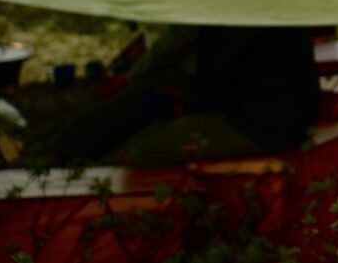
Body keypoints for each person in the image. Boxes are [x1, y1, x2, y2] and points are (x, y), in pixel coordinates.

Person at [51, 25, 319, 166]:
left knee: (141, 150)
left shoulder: (233, 16)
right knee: (154, 130)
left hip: (265, 125)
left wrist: (184, 103)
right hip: (279, 114)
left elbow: (221, 80)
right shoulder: (252, 5)